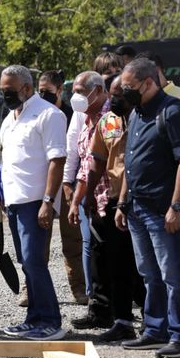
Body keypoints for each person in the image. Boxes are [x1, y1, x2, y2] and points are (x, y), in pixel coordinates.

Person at [116, 58, 180, 358]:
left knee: (174, 275)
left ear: (149, 82)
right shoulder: (137, 112)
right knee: (149, 273)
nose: (126, 93)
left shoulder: (172, 112)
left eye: (130, 87)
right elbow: (130, 161)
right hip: (138, 207)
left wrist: (176, 205)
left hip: (164, 210)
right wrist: (123, 202)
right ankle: (154, 330)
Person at [0, 65, 67, 341]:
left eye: (9, 91)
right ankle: (34, 318)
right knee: (26, 262)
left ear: (26, 88)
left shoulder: (49, 115)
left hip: (35, 201)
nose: (5, 96)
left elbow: (57, 160)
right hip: (14, 202)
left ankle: (51, 321)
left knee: (35, 262)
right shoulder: (9, 119)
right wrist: (0, 195)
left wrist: (48, 201)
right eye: (2, 91)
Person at [78, 75, 145, 342]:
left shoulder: (145, 118)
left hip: (143, 199)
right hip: (114, 200)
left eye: (120, 93)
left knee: (145, 266)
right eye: (113, 93)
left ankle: (155, 320)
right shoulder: (108, 122)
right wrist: (89, 194)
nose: (115, 98)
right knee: (117, 263)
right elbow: (96, 161)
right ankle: (122, 321)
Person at [34, 70, 87, 307]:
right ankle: (31, 289)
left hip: (67, 184)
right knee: (38, 241)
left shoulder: (71, 114)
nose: (43, 94)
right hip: (41, 183)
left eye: (48, 91)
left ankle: (79, 289)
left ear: (59, 90)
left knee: (72, 240)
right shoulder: (34, 113)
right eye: (40, 90)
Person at [66, 71, 113, 331]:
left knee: (114, 259)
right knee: (98, 257)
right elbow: (84, 165)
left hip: (111, 199)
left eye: (81, 91)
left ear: (98, 90)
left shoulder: (110, 119)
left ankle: (122, 314)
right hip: (93, 200)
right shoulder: (86, 119)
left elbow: (110, 162)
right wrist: (77, 199)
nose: (77, 97)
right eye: (75, 91)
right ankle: (101, 311)